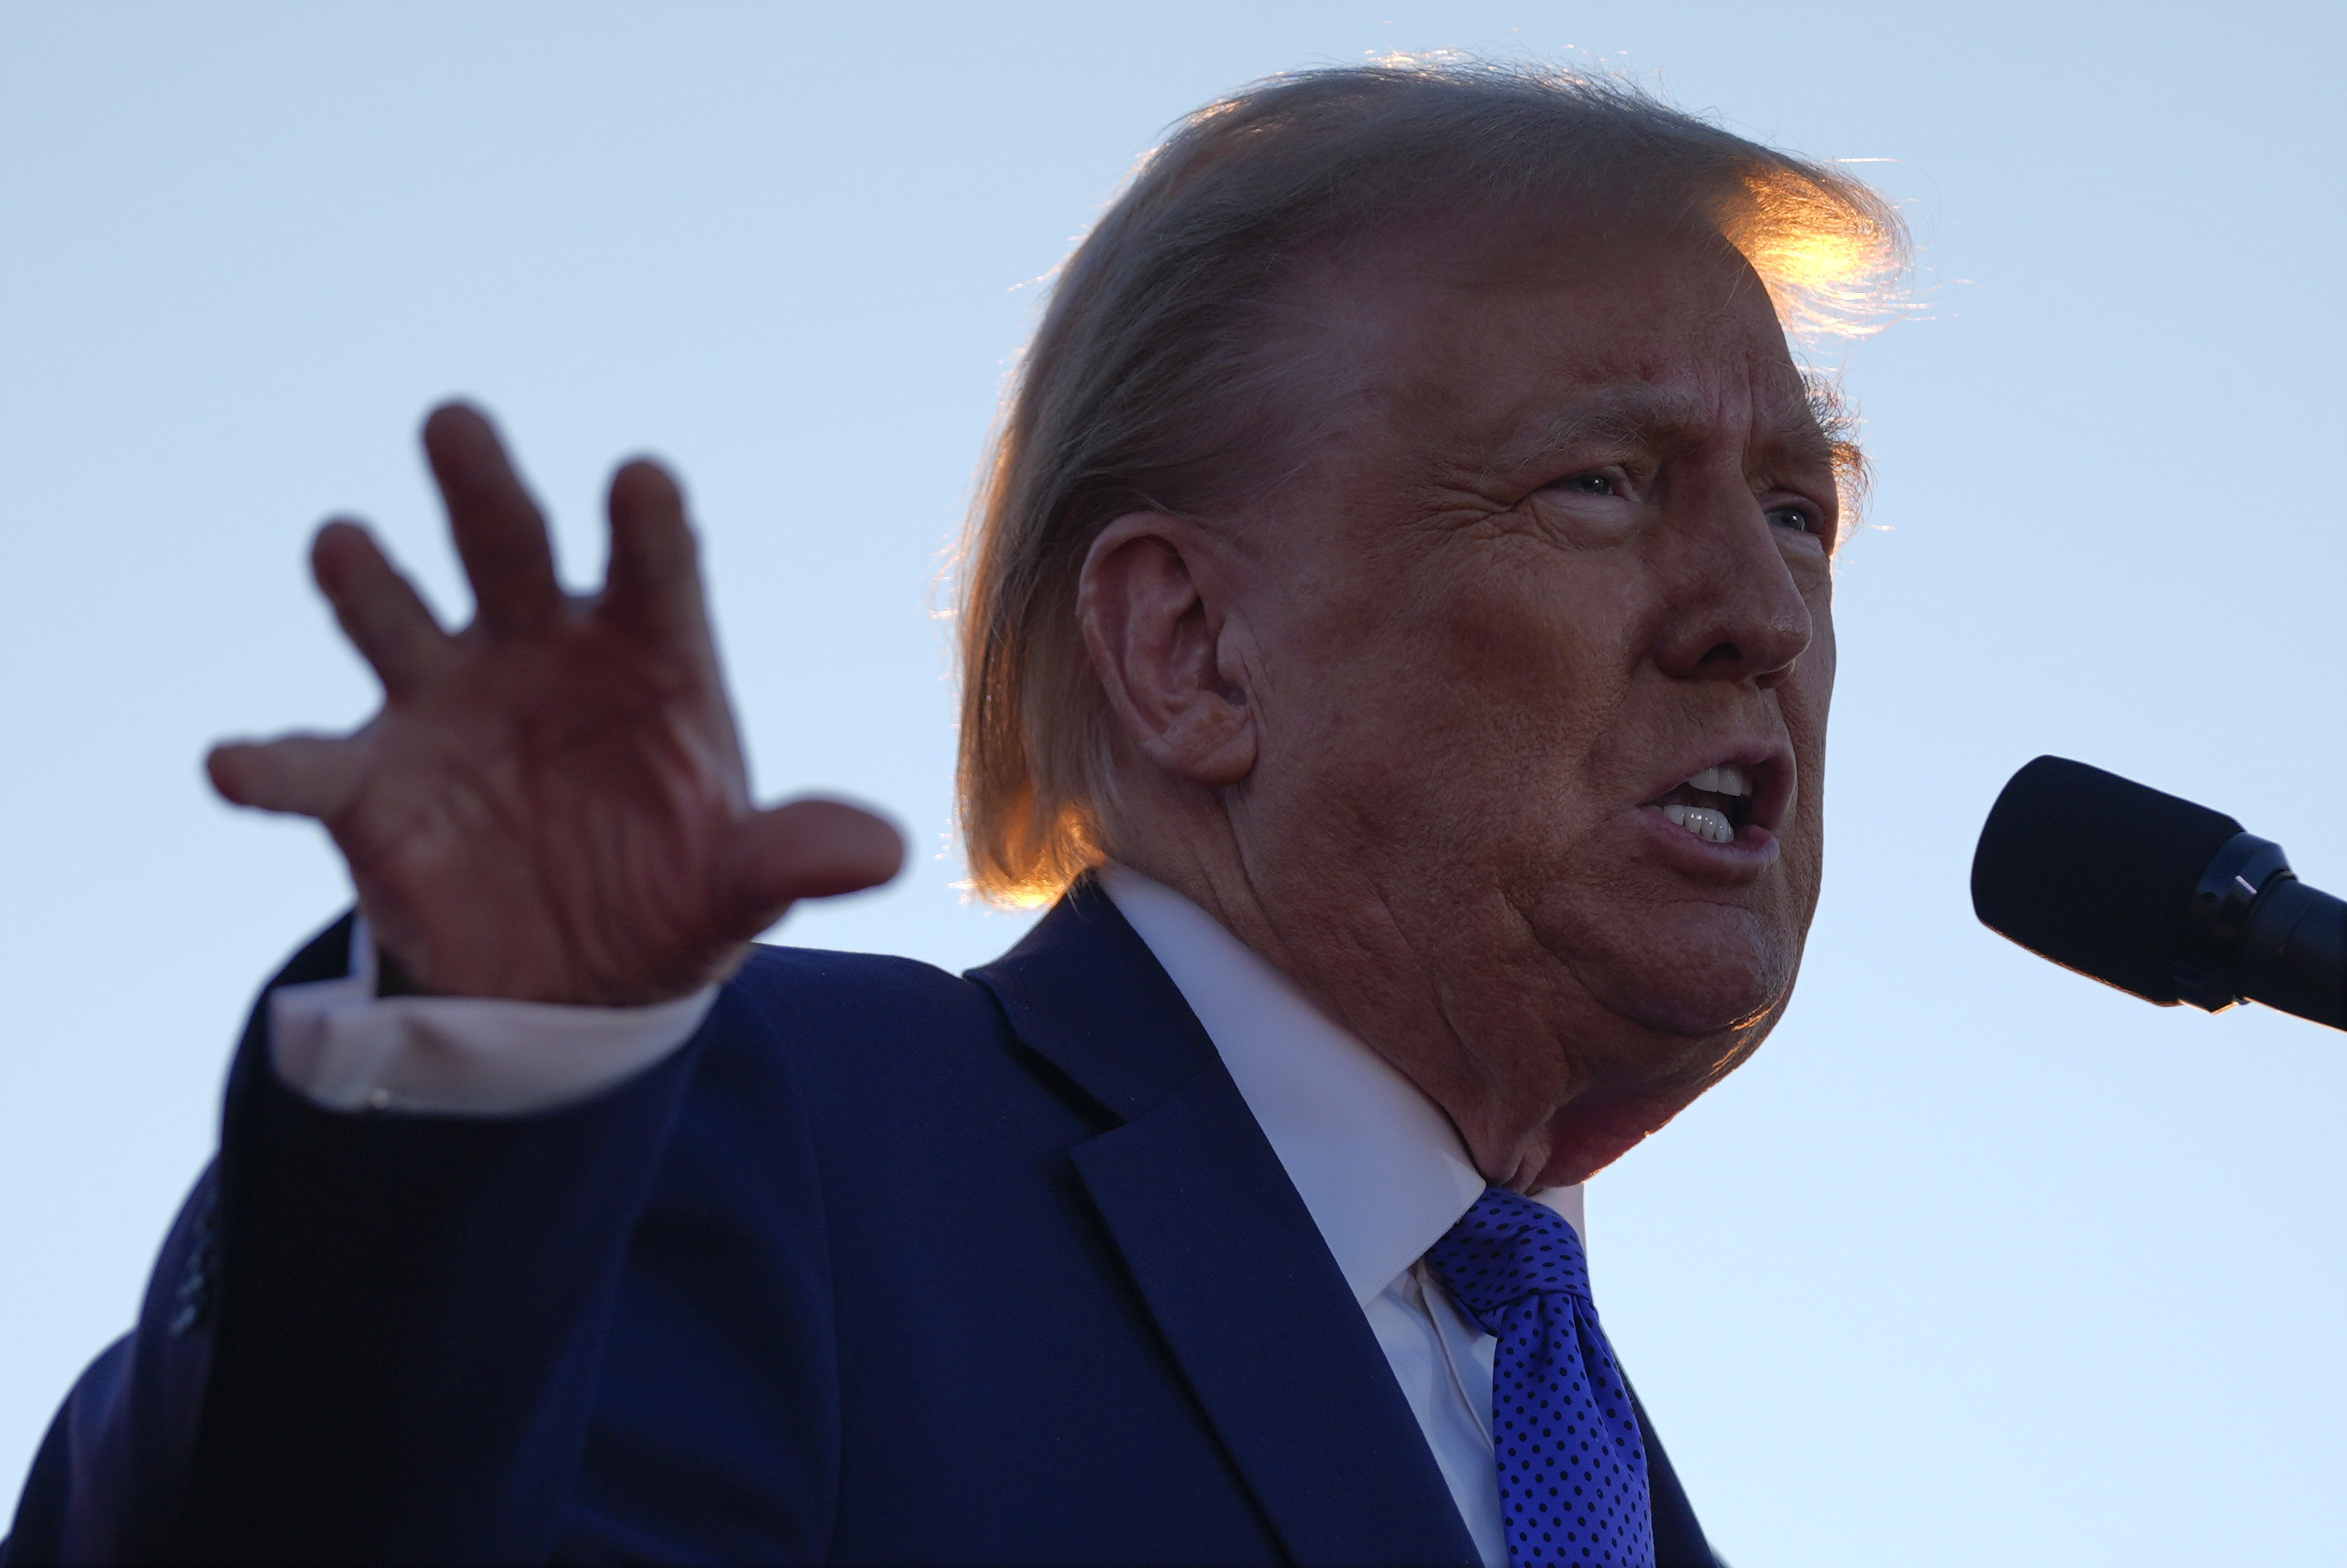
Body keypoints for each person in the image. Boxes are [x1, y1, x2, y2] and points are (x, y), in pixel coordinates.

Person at [3, 59, 1899, 1566]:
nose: (1761, 608)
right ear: (1189, 649)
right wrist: (483, 1068)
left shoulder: (1603, 1475)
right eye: (1598, 483)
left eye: (1798, 508)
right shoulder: (780, 1133)